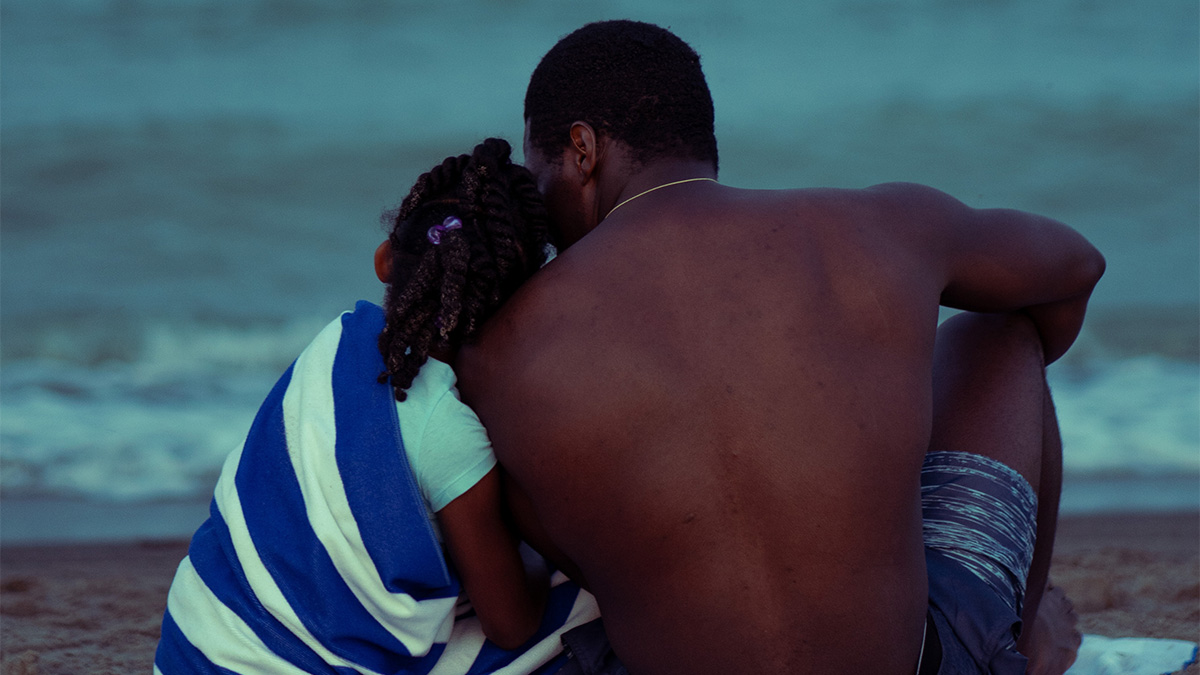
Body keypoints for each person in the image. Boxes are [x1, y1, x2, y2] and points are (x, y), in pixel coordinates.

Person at [455, 21, 1104, 675]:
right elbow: (1076, 269)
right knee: (997, 331)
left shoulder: (498, 349)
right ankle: (1017, 638)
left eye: (540, 175)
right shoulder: (877, 225)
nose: (540, 206)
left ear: (583, 148)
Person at [154, 138, 599, 675]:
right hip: (297, 664)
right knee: (590, 605)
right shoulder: (451, 435)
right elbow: (510, 624)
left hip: (191, 646)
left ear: (386, 261)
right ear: (516, 306)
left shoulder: (333, 345)